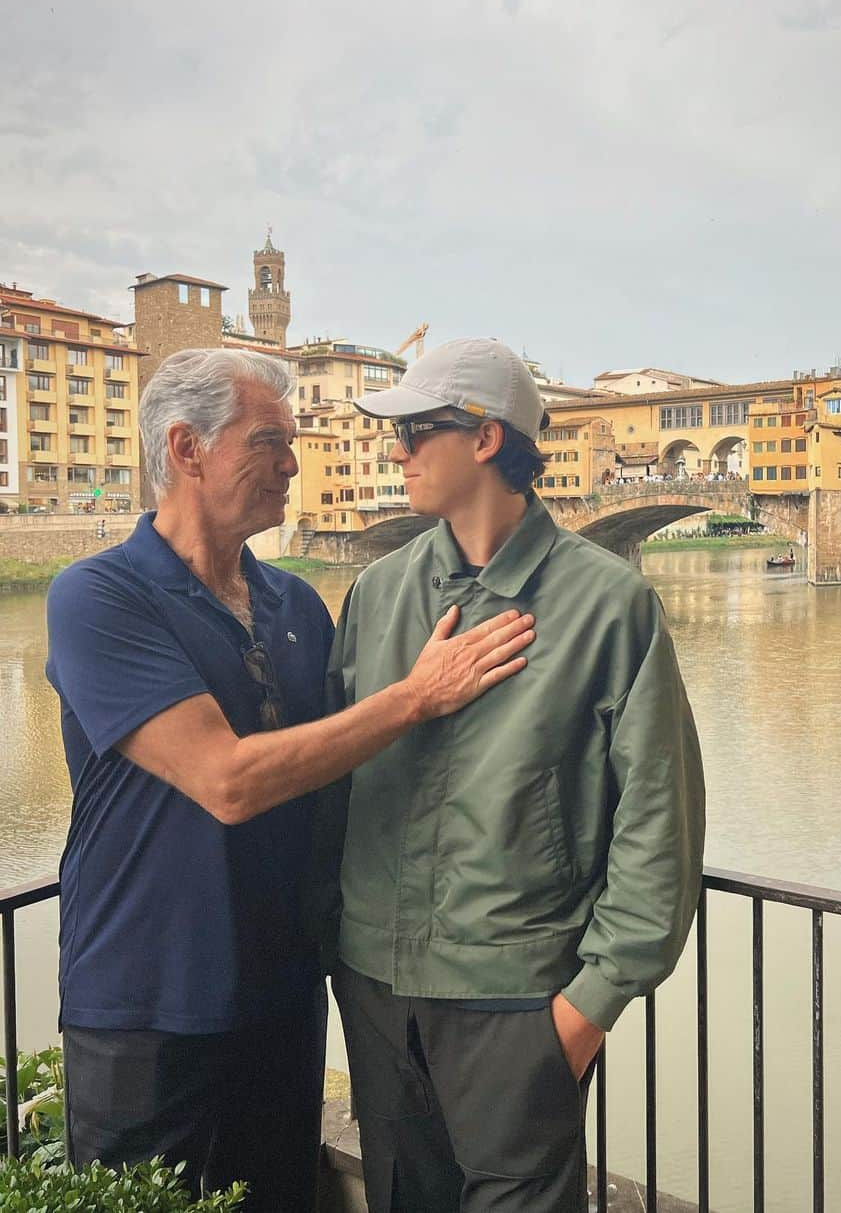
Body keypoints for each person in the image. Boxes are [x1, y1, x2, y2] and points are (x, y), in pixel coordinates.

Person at [44, 348, 534, 1213]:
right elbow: (226, 780)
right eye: (270, 440)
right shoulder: (96, 598)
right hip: (146, 1012)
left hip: (281, 1000)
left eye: (294, 440)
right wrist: (416, 696)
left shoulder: (299, 607)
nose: (294, 463)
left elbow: (349, 788)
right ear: (187, 449)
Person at [327, 339, 705, 1213]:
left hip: (517, 1000)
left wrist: (589, 1004)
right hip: (379, 992)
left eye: (418, 431)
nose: (398, 451)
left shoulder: (609, 604)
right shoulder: (379, 593)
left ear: (487, 436)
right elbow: (338, 783)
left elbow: (660, 816)